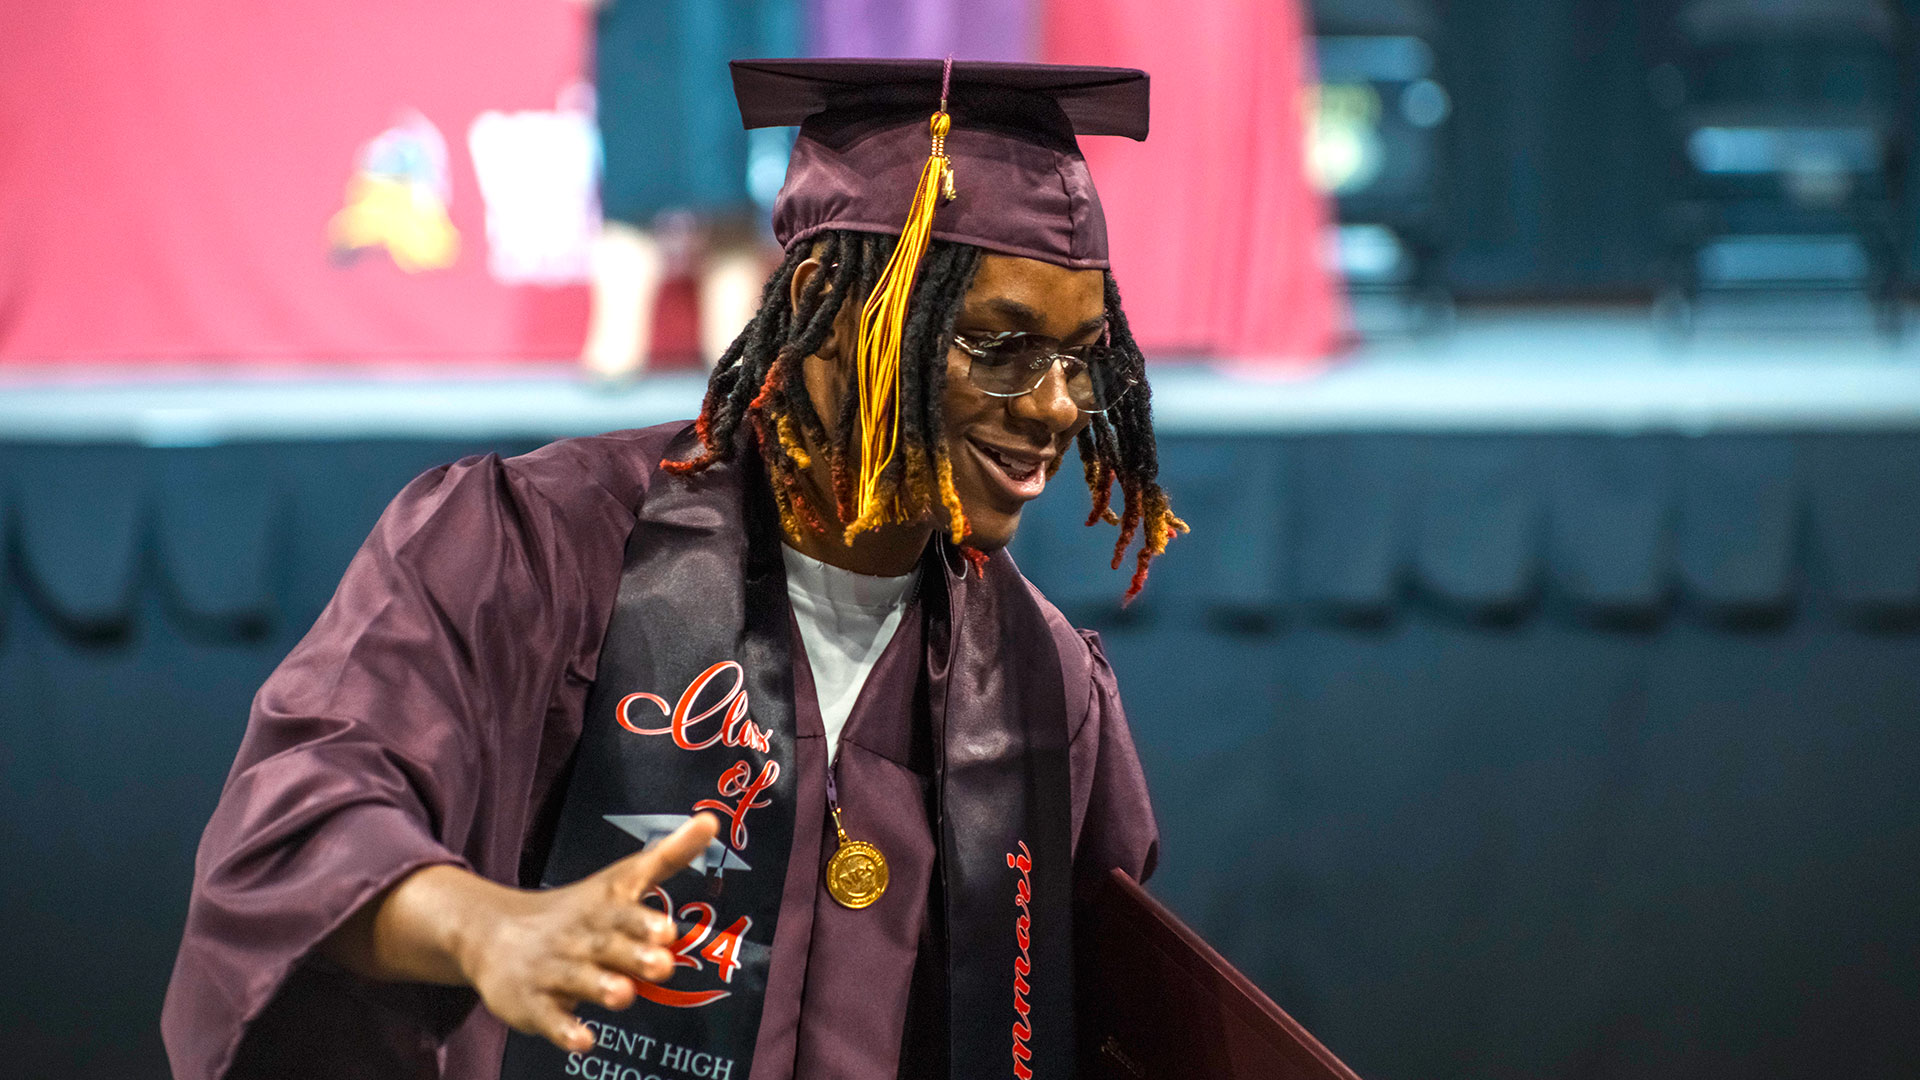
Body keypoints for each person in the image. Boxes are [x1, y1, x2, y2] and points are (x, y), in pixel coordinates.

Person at [163, 58, 1187, 1080]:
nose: (1057, 405)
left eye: (1081, 358)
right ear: (834, 305)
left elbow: (1101, 1012)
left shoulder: (1039, 685)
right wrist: (488, 929)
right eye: (999, 344)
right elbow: (301, 817)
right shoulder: (539, 549)